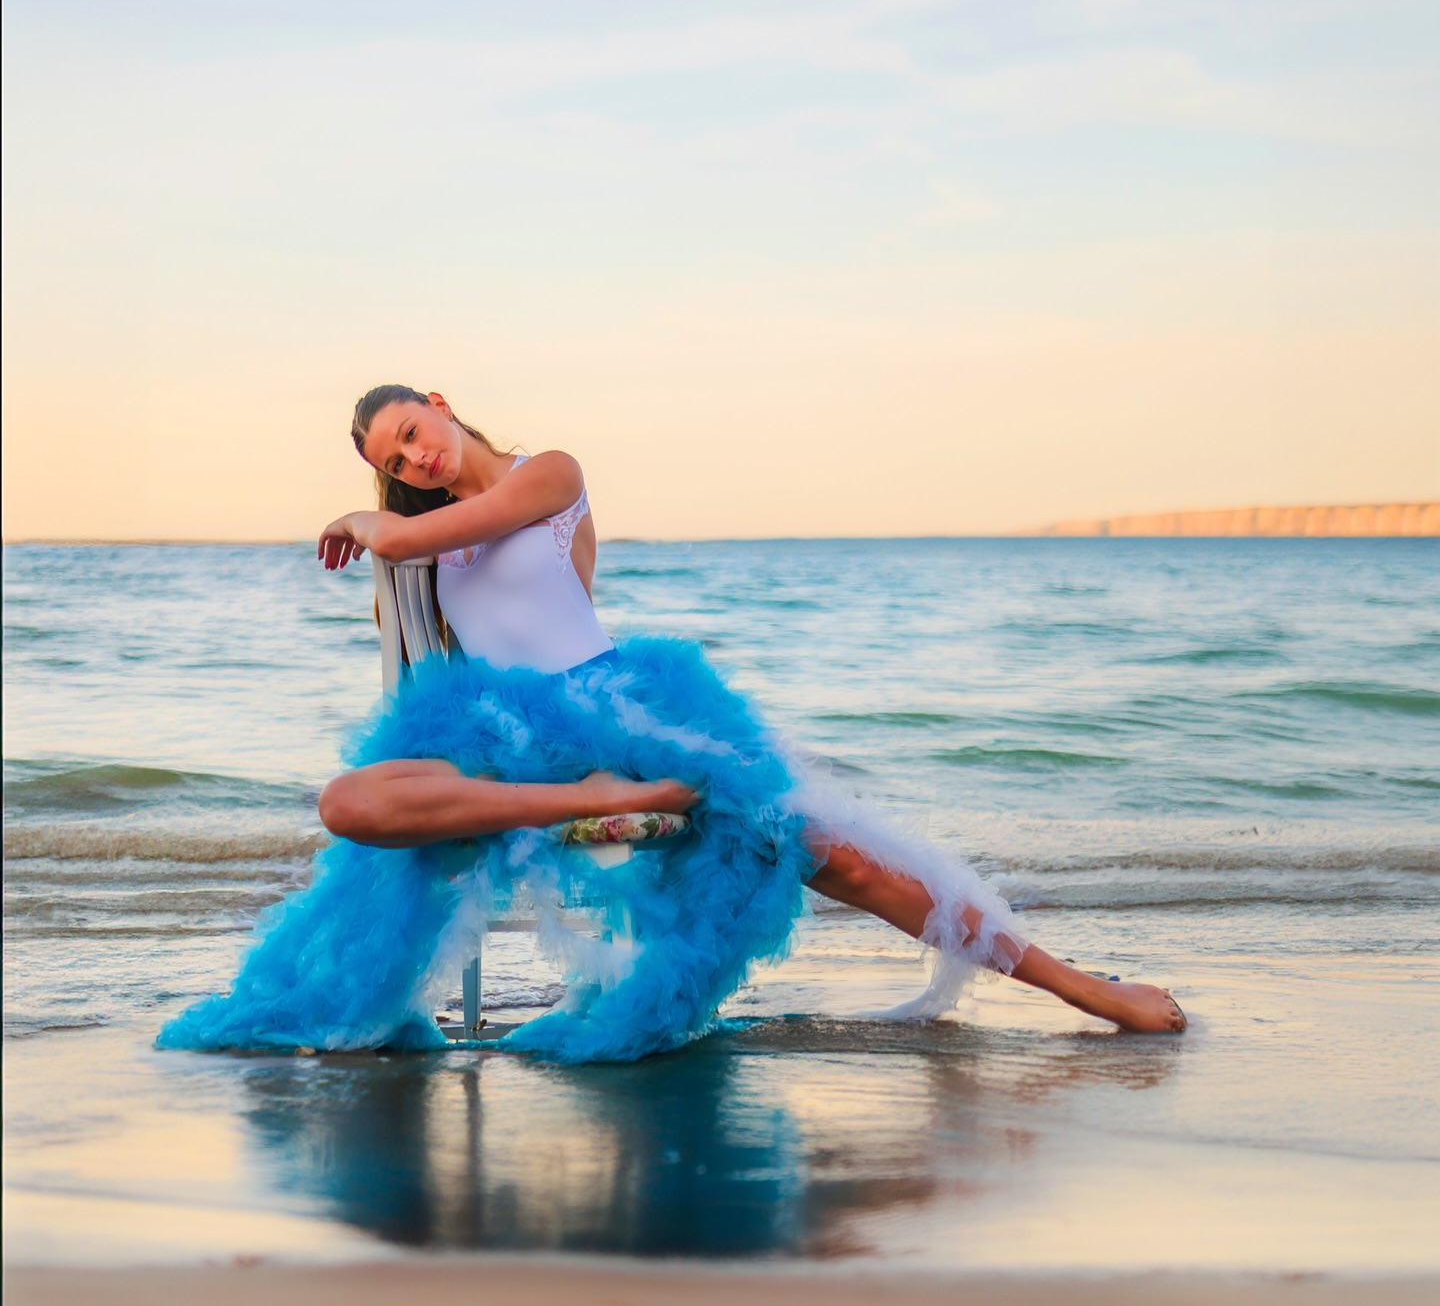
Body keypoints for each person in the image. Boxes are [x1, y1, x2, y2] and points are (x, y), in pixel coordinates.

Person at [313, 385, 1185, 1039]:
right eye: (392, 463)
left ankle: (1086, 989)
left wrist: (367, 515)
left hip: (627, 719)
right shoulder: (428, 559)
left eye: (411, 434)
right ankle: (599, 806)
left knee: (838, 858)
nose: (413, 459)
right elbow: (437, 656)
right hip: (542, 770)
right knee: (351, 803)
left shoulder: (548, 476)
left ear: (439, 406)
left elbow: (427, 542)